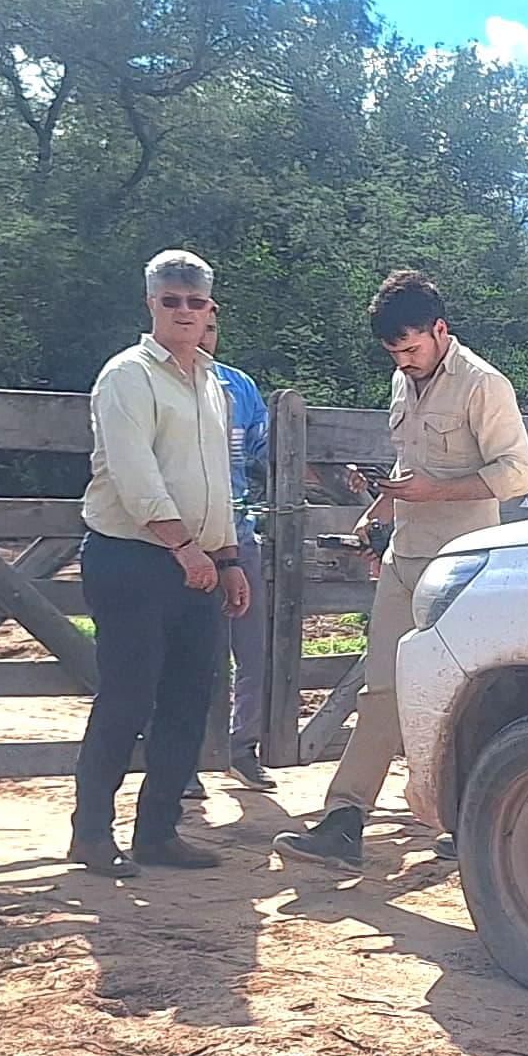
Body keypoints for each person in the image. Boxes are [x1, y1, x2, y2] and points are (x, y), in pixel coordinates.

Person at [277, 270, 528, 869]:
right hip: (404, 558)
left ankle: (482, 818)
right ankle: (345, 820)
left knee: (473, 694)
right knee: (382, 688)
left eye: (412, 349)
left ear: (440, 330)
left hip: (465, 567)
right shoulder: (403, 380)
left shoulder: (484, 385)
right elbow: (408, 466)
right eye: (395, 353)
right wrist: (376, 513)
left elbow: (518, 476)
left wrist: (432, 491)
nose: (405, 361)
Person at [71, 249, 250, 877]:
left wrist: (225, 558)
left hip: (195, 562)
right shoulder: (127, 375)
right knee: (127, 696)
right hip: (132, 558)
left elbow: (218, 479)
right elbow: (133, 473)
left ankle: (157, 831)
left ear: (210, 309)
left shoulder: (212, 382)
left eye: (194, 302)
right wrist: (183, 547)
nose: (183, 311)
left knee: (188, 698)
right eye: (170, 300)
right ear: (151, 304)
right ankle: (92, 833)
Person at [206, 307, 278, 790]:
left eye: (211, 327)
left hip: (238, 528)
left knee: (252, 649)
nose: (203, 336)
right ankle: (190, 754)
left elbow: (267, 451)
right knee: (190, 652)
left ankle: (240, 746)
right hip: (179, 536)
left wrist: (324, 467)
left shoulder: (239, 387)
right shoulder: (148, 381)